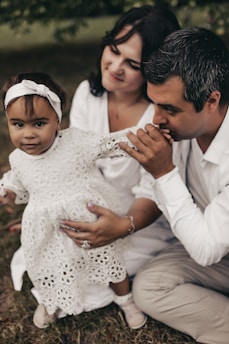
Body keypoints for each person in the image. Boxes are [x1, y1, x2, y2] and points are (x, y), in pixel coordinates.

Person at [5, 4, 181, 312]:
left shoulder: (157, 118)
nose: (115, 67)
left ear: (154, 69)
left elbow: (153, 190)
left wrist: (120, 226)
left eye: (133, 64)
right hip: (84, 204)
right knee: (50, 257)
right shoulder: (89, 92)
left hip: (136, 218)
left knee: (96, 285)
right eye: (113, 50)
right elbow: (68, 160)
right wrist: (48, 210)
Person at [0, 72, 147, 330]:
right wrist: (8, 192)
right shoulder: (18, 158)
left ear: (57, 120)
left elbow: (107, 143)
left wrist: (139, 137)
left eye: (39, 123)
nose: (28, 134)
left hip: (88, 221)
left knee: (108, 260)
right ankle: (50, 299)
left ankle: (126, 300)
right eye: (18, 125)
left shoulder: (75, 142)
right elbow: (17, 182)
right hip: (48, 231)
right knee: (48, 266)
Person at [119, 27, 229, 344]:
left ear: (211, 100)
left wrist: (164, 173)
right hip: (219, 254)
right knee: (149, 287)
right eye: (153, 104)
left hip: (212, 251)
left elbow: (206, 250)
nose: (155, 119)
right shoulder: (181, 132)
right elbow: (150, 192)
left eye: (169, 109)